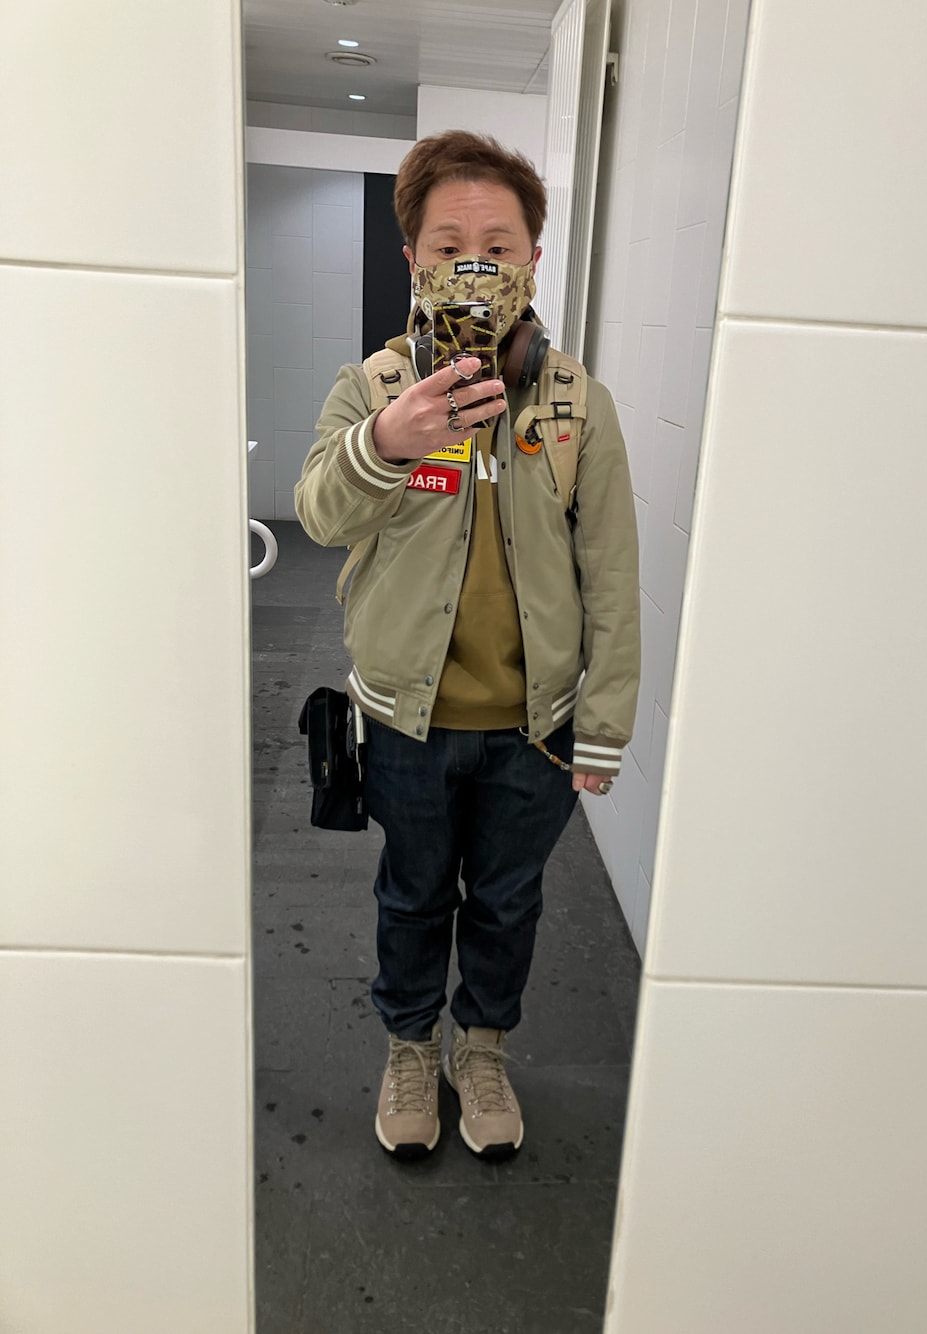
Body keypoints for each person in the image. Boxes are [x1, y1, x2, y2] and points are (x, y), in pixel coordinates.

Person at [295, 131, 639, 1163]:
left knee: (507, 901)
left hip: (535, 729)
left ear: (533, 258)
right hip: (407, 718)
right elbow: (318, 514)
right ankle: (410, 1046)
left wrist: (605, 724)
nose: (475, 265)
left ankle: (480, 1049)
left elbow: (612, 574)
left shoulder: (576, 404)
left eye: (499, 246)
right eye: (450, 246)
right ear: (413, 260)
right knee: (411, 894)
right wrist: (386, 444)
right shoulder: (372, 387)